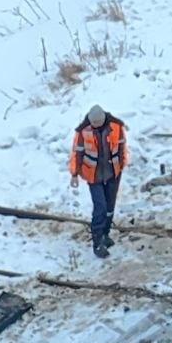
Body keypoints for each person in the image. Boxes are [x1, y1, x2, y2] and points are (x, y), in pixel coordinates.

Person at [69, 104, 128, 259]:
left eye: (97, 122)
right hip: (93, 175)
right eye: (92, 122)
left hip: (112, 172)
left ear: (103, 119)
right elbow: (77, 153)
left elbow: (122, 147)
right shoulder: (83, 132)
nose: (94, 125)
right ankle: (97, 242)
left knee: (109, 207)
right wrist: (74, 174)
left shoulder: (116, 126)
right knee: (100, 207)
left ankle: (105, 235)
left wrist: (121, 165)